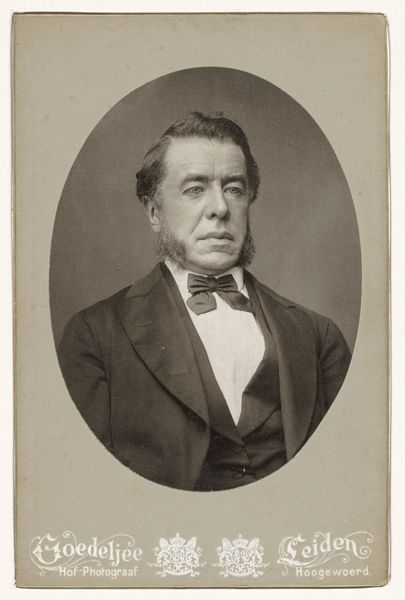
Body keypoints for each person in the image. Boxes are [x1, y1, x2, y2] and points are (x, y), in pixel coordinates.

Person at [58, 111, 351, 491]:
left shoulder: (319, 337)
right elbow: (86, 484)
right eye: (195, 189)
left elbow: (348, 474)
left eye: (234, 188)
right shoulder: (95, 336)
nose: (220, 208)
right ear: (154, 212)